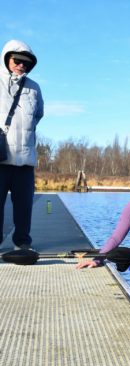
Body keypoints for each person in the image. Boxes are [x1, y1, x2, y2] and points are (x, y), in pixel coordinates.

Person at [0, 39, 44, 249]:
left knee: (24, 206)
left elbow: (38, 114)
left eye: (26, 63)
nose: (21, 65)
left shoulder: (34, 88)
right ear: (7, 58)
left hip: (25, 159)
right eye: (17, 60)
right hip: (0, 157)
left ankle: (22, 243)